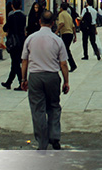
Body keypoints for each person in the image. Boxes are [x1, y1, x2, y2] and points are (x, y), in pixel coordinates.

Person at [21, 10, 70, 150]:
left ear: (39, 22)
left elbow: (24, 61)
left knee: (38, 109)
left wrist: (24, 79)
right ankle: (54, 137)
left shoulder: (31, 38)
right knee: (54, 106)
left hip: (35, 76)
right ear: (53, 23)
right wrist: (66, 81)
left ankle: (42, 142)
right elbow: (63, 64)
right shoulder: (57, 40)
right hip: (52, 76)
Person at [2, 0, 27, 90]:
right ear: (20, 6)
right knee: (15, 62)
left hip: (13, 42)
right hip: (21, 41)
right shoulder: (23, 16)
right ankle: (9, 82)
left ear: (12, 6)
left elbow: (5, 28)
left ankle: (22, 82)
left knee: (15, 63)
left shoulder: (11, 17)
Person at [56, 2, 77, 73]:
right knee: (65, 49)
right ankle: (64, 65)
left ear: (61, 8)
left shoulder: (61, 14)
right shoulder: (68, 15)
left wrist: (57, 31)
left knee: (65, 50)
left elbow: (62, 23)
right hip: (70, 34)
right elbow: (73, 26)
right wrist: (75, 36)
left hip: (65, 33)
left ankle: (72, 65)